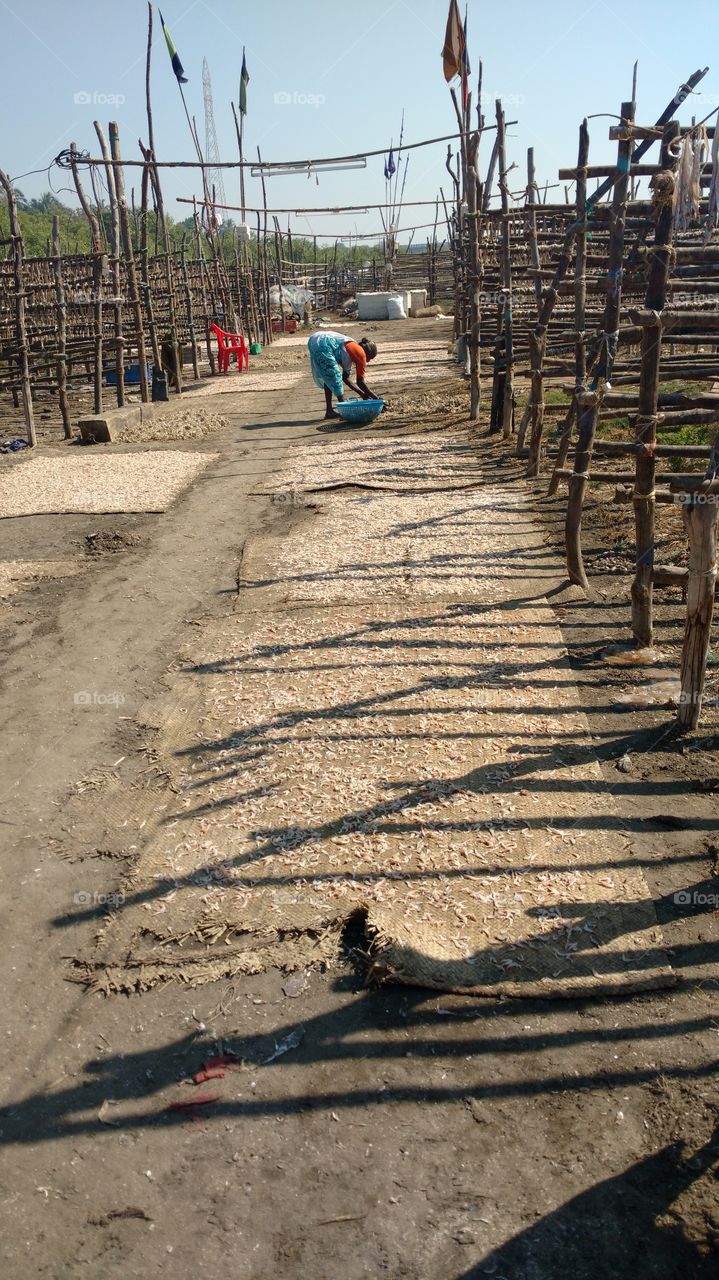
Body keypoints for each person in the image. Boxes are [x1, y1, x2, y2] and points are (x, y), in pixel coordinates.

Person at [307, 330, 379, 419]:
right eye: (370, 358)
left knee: (328, 376)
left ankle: (329, 411)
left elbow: (346, 378)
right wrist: (377, 399)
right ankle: (344, 412)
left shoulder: (352, 347)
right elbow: (360, 382)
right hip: (322, 343)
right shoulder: (361, 354)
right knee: (335, 376)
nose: (368, 361)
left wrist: (362, 394)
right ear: (368, 353)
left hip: (315, 339)